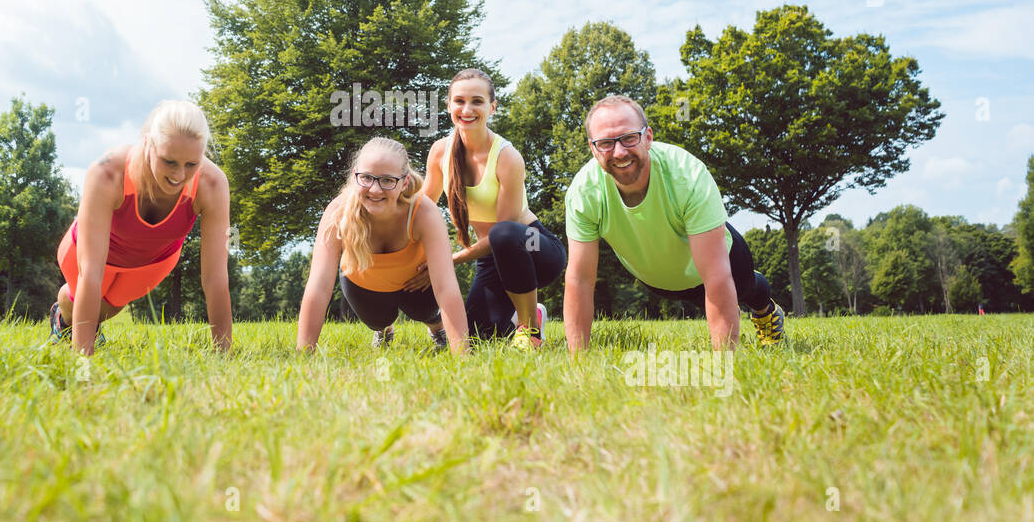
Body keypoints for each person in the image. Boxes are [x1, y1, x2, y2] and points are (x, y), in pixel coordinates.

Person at [562, 94, 786, 352]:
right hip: (660, 277)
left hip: (723, 263)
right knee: (701, 297)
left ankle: (766, 311)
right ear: (593, 148)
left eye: (629, 138)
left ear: (648, 137)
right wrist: (578, 367)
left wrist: (724, 368)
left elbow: (715, 275)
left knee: (744, 288)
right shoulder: (584, 193)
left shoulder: (687, 176)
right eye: (606, 143)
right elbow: (579, 280)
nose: (620, 152)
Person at [51, 100, 233, 355]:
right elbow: (90, 272)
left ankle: (86, 319)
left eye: (192, 164)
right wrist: (83, 363)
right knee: (84, 299)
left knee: (107, 311)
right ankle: (64, 316)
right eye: (169, 161)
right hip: (86, 255)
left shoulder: (213, 184)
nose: (180, 175)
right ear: (148, 144)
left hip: (152, 263)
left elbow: (215, 277)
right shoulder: (107, 173)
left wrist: (223, 355)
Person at [409, 68, 566, 352]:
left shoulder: (507, 157)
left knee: (506, 234)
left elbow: (503, 232)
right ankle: (532, 314)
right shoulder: (440, 152)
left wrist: (448, 260)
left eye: (477, 101)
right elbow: (422, 206)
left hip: (534, 247)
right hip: (491, 258)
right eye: (459, 101)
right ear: (448, 106)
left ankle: (529, 329)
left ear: (492, 108)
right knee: (479, 335)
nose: (467, 109)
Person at [297, 137, 468, 354]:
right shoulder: (337, 212)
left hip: (417, 285)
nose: (375, 190)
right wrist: (304, 354)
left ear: (404, 182)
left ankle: (436, 329)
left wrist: (463, 355)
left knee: (427, 311)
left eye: (387, 180)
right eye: (367, 178)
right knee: (376, 320)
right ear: (355, 175)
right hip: (365, 286)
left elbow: (446, 286)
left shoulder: (423, 212)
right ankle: (383, 329)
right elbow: (319, 286)